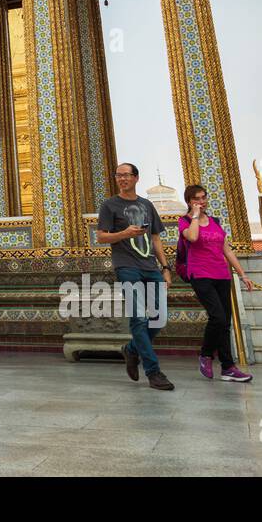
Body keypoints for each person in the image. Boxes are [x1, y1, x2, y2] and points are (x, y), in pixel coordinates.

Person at [98, 162, 174, 391]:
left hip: (150, 267)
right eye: (118, 175)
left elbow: (156, 239)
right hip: (126, 267)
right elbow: (101, 237)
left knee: (159, 318)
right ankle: (153, 371)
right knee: (139, 318)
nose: (122, 179)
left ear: (136, 178)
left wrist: (166, 267)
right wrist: (124, 233)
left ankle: (131, 350)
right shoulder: (109, 205)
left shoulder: (147, 204)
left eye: (126, 175)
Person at [180, 184, 253, 382]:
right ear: (189, 201)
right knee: (218, 317)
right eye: (197, 199)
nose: (202, 202)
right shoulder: (184, 221)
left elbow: (227, 250)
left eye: (203, 197)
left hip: (222, 275)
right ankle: (205, 354)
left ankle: (228, 368)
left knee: (225, 323)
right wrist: (194, 215)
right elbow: (193, 238)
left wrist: (242, 274)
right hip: (200, 274)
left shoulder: (215, 221)